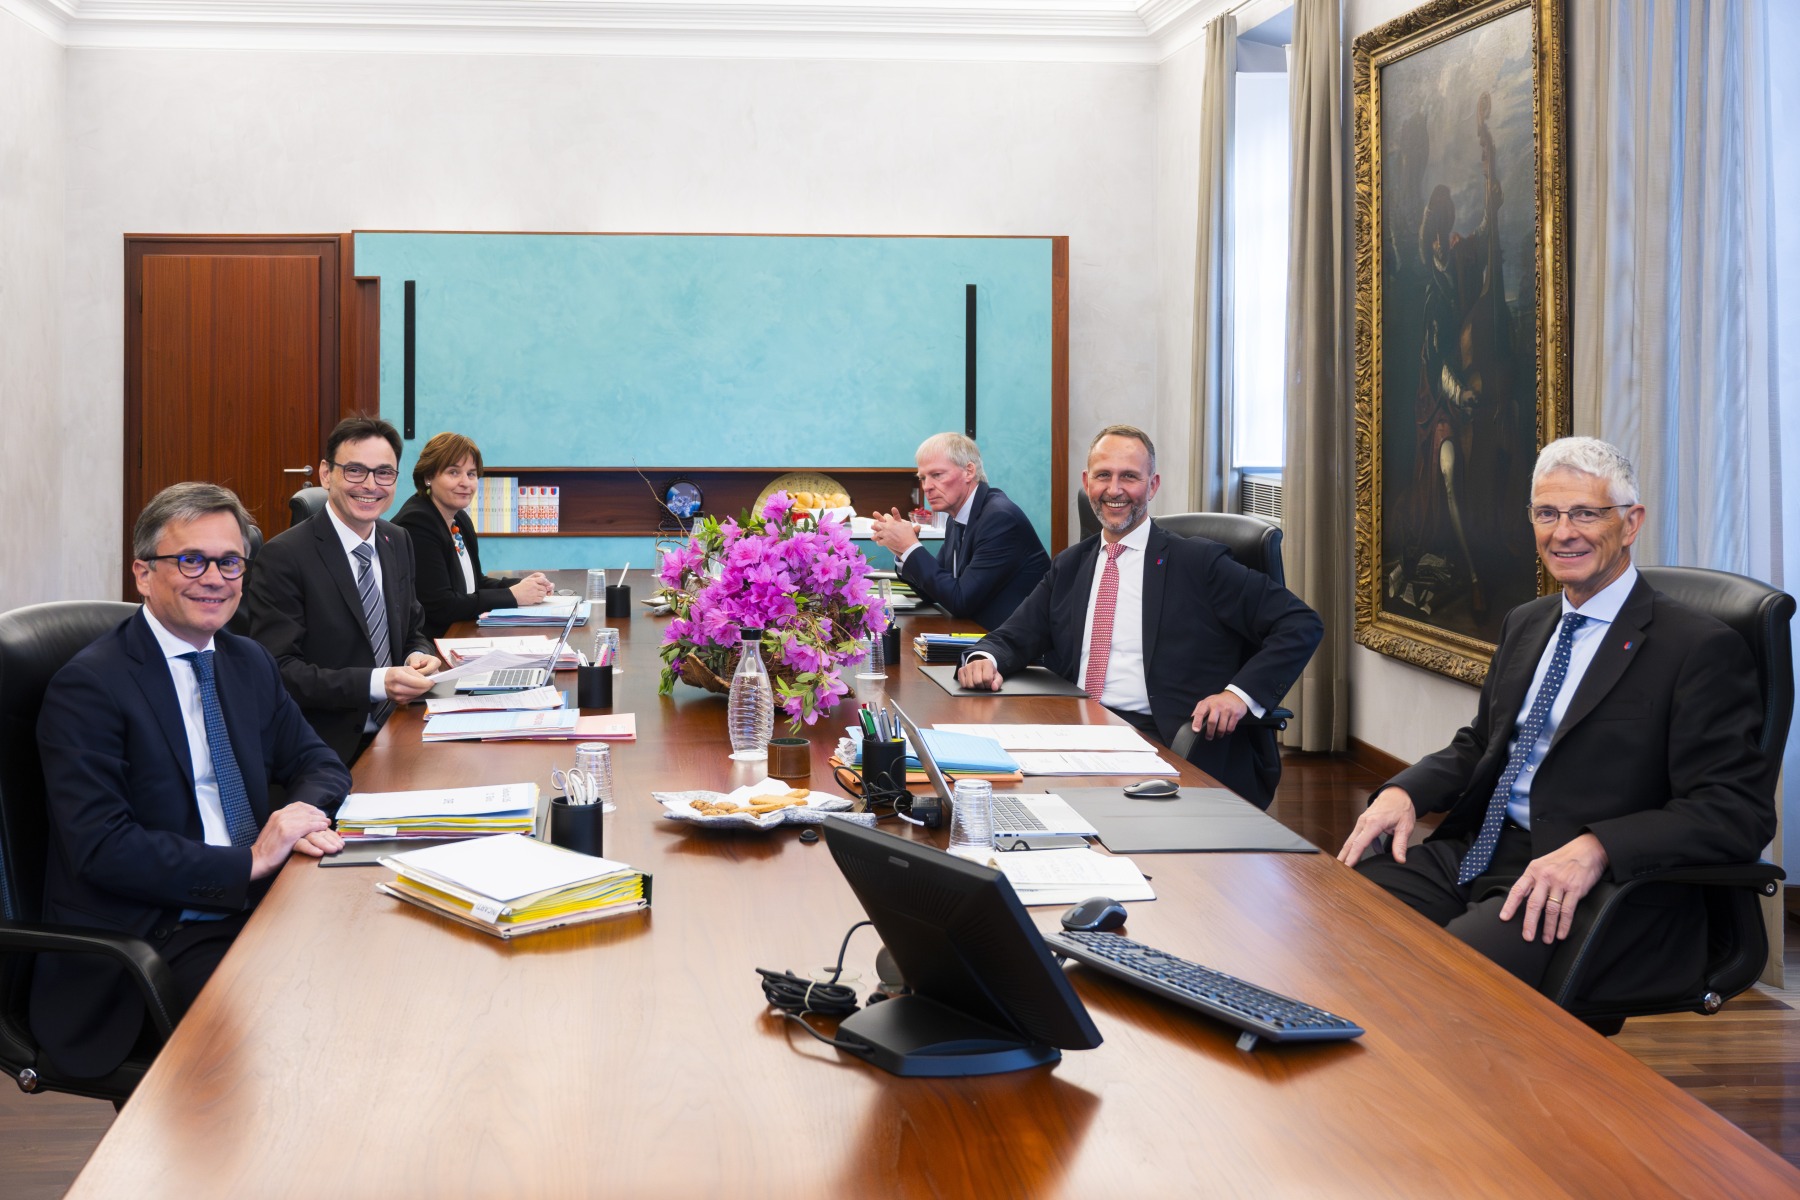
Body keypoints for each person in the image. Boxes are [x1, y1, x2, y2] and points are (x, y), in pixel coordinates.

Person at [1340, 438, 1774, 997]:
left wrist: (1598, 847)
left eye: (1586, 514)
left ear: (1631, 522)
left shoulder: (1698, 648)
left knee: (1441, 983)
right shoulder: (1527, 621)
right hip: (1482, 850)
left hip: (1592, 886)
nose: (1563, 532)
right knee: (1339, 914)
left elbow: (1735, 812)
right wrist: (1404, 792)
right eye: (1547, 513)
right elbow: (1481, 743)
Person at [32, 483, 350, 1079]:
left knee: (369, 968)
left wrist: (297, 819)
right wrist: (248, 861)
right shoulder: (90, 687)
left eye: (230, 562)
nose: (214, 579)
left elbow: (320, 763)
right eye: (191, 560)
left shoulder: (245, 660)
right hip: (155, 934)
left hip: (253, 903)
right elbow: (102, 848)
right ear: (143, 574)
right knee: (296, 1033)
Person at [956, 425, 1322, 808]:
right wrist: (985, 658)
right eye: (1103, 475)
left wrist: (1238, 696)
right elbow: (1015, 634)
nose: (1114, 490)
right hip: (1075, 729)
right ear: (1087, 482)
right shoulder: (1071, 564)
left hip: (1165, 738)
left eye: (1129, 476)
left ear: (1153, 485)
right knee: (991, 794)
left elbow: (1299, 623)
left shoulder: (1198, 563)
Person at [249, 416, 441, 766]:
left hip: (402, 727)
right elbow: (280, 671)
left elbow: (413, 628)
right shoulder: (284, 557)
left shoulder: (396, 539)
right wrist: (377, 683)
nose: (370, 485)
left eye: (384, 473)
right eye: (355, 470)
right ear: (326, 474)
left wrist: (418, 654)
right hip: (326, 750)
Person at [869, 432, 1050, 630]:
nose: (927, 487)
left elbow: (960, 600)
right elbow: (934, 592)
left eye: (937, 475)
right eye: (922, 478)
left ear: (969, 471)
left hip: (1016, 643)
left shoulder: (1000, 519)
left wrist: (909, 547)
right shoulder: (957, 517)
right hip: (979, 634)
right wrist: (901, 550)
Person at [392, 431, 554, 639]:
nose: (465, 482)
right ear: (428, 477)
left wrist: (523, 585)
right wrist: (512, 596)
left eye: (471, 474)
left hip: (459, 634)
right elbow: (442, 606)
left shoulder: (459, 518)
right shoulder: (417, 523)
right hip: (431, 645)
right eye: (453, 472)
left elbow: (475, 583)